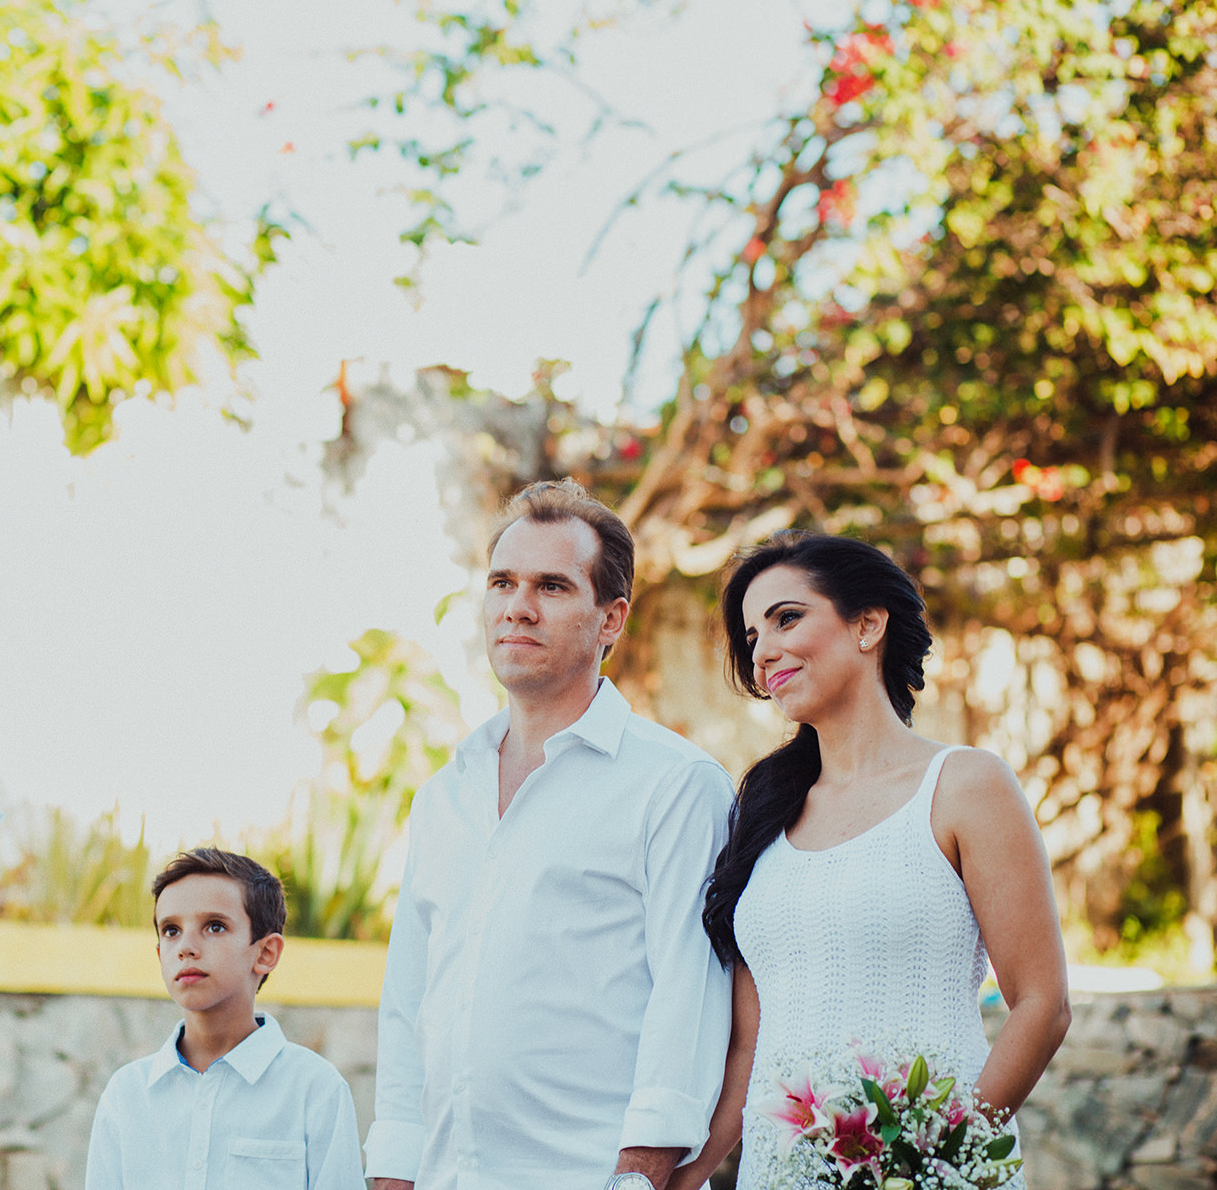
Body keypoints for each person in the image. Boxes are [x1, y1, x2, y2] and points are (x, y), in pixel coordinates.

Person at [672, 531, 1072, 1190]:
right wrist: (680, 1181)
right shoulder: (761, 815)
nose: (764, 650)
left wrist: (934, 1162)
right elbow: (750, 1045)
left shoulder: (966, 785)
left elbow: (1041, 1004)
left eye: (786, 618)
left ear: (867, 625)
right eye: (751, 636)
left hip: (933, 1172)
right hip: (779, 1174)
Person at [365, 479, 734, 1190]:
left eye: (552, 587)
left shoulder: (675, 783)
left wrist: (641, 1178)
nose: (517, 607)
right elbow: (410, 1003)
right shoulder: (445, 796)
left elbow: (688, 994)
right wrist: (392, 1173)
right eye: (502, 582)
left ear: (611, 619)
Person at [84, 848, 364, 1190]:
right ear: (160, 955)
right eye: (171, 930)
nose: (186, 946)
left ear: (265, 953)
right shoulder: (126, 1095)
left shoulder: (316, 1090)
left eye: (214, 926)